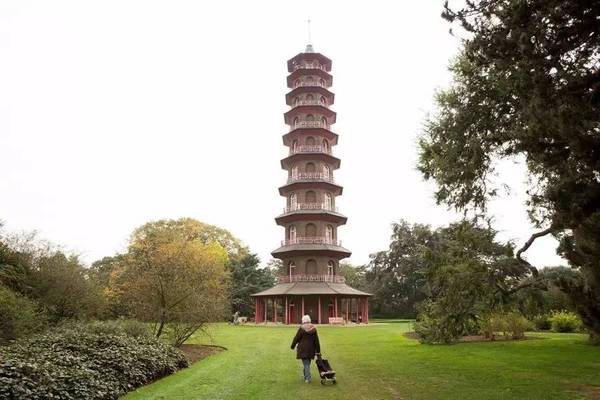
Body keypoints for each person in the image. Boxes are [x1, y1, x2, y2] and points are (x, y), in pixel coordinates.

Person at [290, 314, 321, 383]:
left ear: (303, 320)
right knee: (307, 363)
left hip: (302, 349)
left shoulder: (301, 328)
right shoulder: (314, 328)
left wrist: (292, 346)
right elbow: (316, 340)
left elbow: (296, 338)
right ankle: (306, 376)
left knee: (306, 364)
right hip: (311, 349)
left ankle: (308, 378)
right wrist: (318, 350)